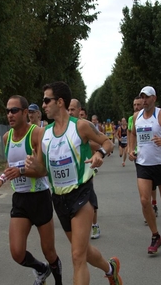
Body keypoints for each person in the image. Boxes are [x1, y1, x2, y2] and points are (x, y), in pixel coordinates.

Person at [26, 81, 122, 285]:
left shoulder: (80, 126)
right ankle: (110, 269)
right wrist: (34, 166)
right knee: (84, 251)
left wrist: (99, 154)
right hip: (59, 199)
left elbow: (108, 142)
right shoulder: (44, 134)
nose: (43, 105)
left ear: (60, 102)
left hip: (81, 193)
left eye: (46, 100)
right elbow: (43, 170)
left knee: (77, 256)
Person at [0, 95, 62, 285]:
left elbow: (43, 170)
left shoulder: (37, 133)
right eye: (7, 111)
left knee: (49, 251)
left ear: (25, 112)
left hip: (40, 198)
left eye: (14, 111)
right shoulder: (6, 137)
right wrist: (1, 180)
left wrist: (20, 171)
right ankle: (41, 269)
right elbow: (9, 166)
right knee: (17, 253)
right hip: (20, 199)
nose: (9, 115)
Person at [128, 86, 161, 255]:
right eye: (142, 97)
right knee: (145, 201)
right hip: (143, 165)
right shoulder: (136, 117)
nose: (144, 100)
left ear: (154, 99)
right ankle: (155, 235)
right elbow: (133, 134)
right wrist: (131, 149)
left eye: (147, 97)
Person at [68, 99, 101, 240]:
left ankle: (94, 225)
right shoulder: (66, 126)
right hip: (71, 169)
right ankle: (77, 224)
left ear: (80, 111)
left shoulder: (86, 126)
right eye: (68, 110)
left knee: (89, 196)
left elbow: (100, 144)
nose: (70, 113)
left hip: (86, 167)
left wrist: (85, 142)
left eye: (73, 110)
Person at [128, 96, 159, 220]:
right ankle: (148, 207)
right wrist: (131, 149)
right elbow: (131, 133)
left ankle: (154, 203)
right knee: (145, 183)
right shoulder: (133, 118)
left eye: (138, 105)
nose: (136, 107)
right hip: (139, 156)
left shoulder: (152, 116)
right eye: (134, 105)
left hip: (153, 155)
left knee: (153, 184)